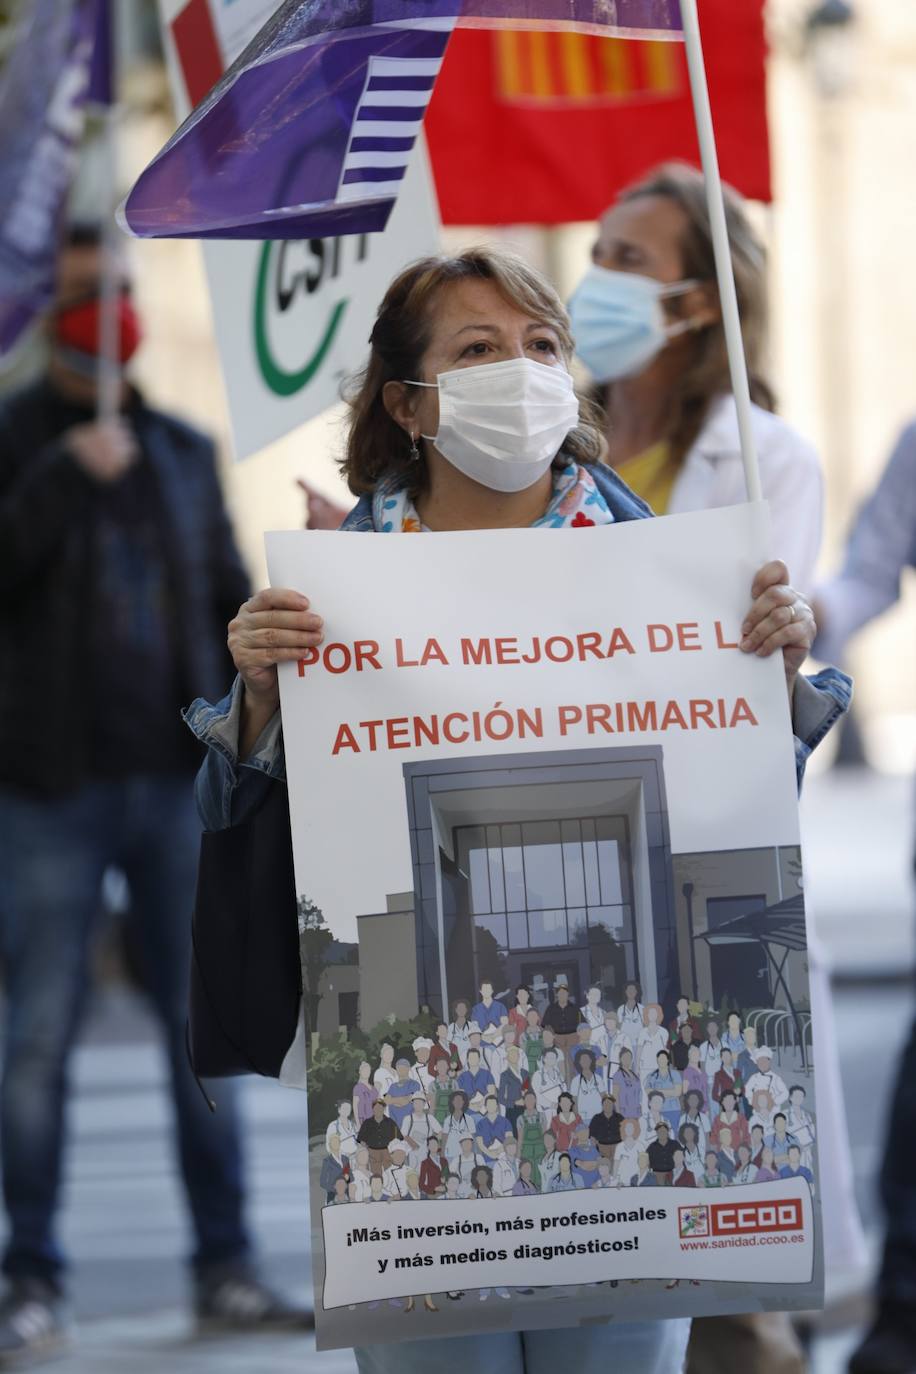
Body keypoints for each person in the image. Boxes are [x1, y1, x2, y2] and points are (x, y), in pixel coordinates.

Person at [187, 245, 847, 1374]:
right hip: (416, 1161)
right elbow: (249, 814)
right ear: (409, 402)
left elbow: (735, 809)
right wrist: (256, 694)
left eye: (542, 346)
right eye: (478, 349)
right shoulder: (331, 599)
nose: (522, 370)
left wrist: (771, 683)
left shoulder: (670, 578)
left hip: (640, 1154)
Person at [0, 224, 307, 1360]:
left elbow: (232, 610)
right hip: (47, 793)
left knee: (202, 1035)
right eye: (87, 295)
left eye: (122, 292)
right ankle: (28, 1275)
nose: (111, 312)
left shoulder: (179, 445)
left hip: (176, 786)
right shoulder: (19, 441)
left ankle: (224, 1266)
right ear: (49, 313)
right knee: (39, 1037)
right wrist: (50, 486)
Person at [356, 1098, 399, 1178]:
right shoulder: (367, 1123)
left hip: (387, 1151)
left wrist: (393, 1150)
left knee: (390, 1174)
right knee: (375, 1175)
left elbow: (398, 1137)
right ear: (373, 1109)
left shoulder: (390, 1122)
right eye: (376, 1108)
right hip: (373, 1151)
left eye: (381, 1108)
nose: (378, 1110)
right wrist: (367, 1149)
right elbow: (360, 1139)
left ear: (384, 1109)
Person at [589, 1094, 623, 1170]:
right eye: (606, 1103)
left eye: (610, 1103)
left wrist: (622, 1148)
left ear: (613, 1105)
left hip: (617, 1147)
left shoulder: (619, 1117)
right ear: (602, 1105)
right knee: (604, 1168)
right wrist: (595, 1152)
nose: (608, 1105)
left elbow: (625, 1134)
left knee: (617, 1168)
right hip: (602, 1148)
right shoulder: (596, 1118)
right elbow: (592, 1137)